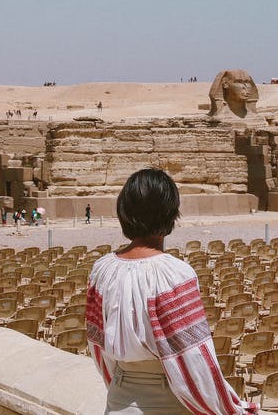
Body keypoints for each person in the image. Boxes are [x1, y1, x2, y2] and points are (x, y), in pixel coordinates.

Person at [86, 168, 256, 414]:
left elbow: (98, 348)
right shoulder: (174, 274)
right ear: (170, 213)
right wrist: (231, 409)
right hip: (169, 401)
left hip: (119, 399)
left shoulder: (101, 270)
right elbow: (193, 359)